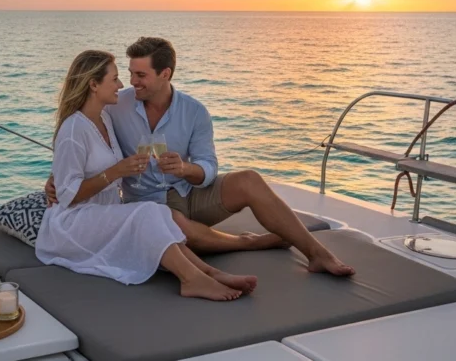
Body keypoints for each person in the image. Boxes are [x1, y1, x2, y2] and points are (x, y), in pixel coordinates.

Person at [47, 38, 355, 277]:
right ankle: (249, 242)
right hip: (145, 201)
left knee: (249, 179)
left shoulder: (194, 112)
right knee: (173, 223)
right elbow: (84, 141)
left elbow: (208, 167)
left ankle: (317, 253)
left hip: (187, 192)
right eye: (127, 74)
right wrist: (56, 179)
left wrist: (185, 169)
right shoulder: (116, 104)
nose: (130, 82)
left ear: (164, 73)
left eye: (140, 74)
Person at [34, 50, 258, 300]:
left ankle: (209, 272)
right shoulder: (74, 128)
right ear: (94, 84)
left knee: (159, 212)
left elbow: (71, 168)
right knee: (147, 212)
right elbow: (68, 196)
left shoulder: (104, 120)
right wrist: (116, 171)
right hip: (73, 224)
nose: (122, 85)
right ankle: (191, 279)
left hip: (100, 214)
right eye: (115, 79)